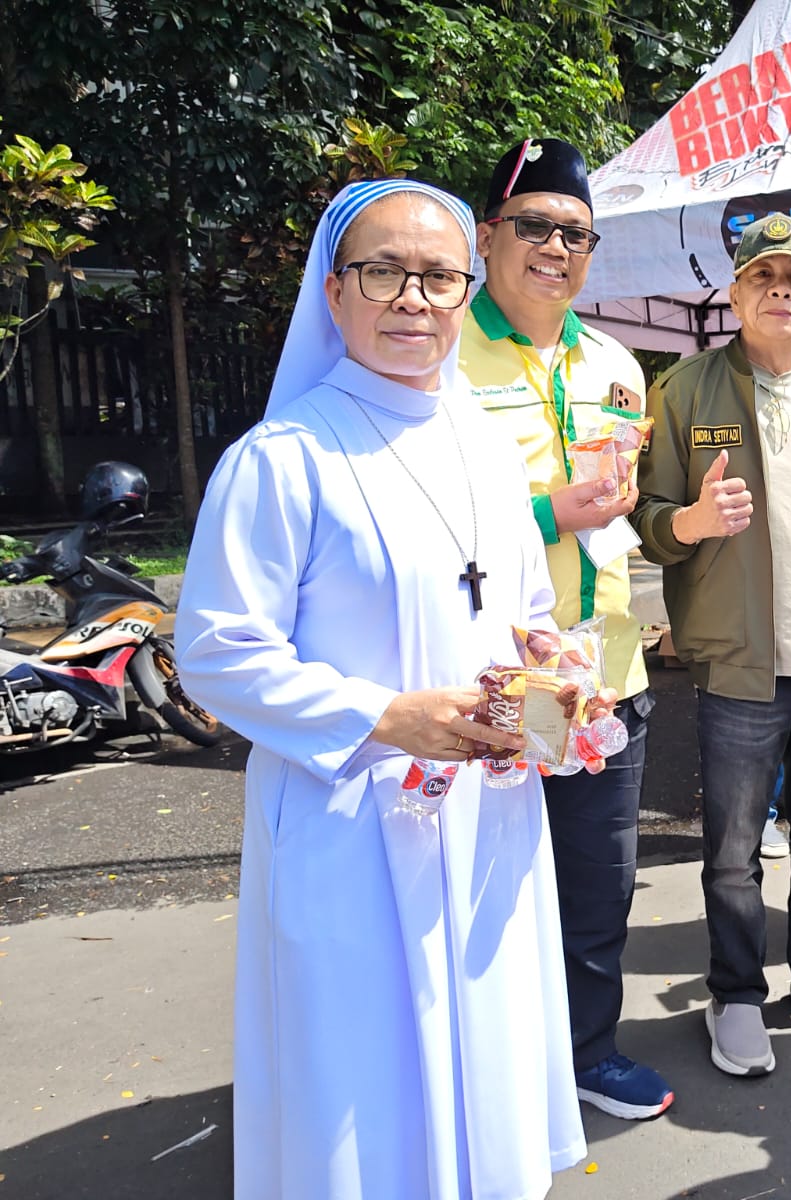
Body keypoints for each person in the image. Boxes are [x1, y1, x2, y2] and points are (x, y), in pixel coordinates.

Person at [175, 178, 599, 1198]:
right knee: (362, 1074)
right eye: (383, 272)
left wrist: (553, 673)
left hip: (486, 812)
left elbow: (524, 603)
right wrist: (385, 715)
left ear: (466, 291)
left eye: (439, 276)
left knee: (486, 1037)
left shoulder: (484, 445)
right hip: (351, 819)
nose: (413, 297)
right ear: (334, 293)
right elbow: (218, 650)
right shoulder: (282, 460)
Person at [632, 213, 791, 1077]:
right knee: (733, 853)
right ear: (737, 294)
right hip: (744, 664)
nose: (782, 291)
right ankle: (737, 992)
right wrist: (692, 522)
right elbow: (646, 516)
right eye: (763, 278)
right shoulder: (685, 390)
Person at [456, 137, 671, 1122]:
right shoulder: (441, 356)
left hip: (608, 665)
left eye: (576, 234)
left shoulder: (617, 364)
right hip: (509, 675)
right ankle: (488, 1067)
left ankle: (586, 1052)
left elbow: (620, 502)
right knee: (494, 874)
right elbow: (422, 516)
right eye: (534, 225)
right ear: (486, 236)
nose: (555, 247)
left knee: (598, 879)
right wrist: (549, 515)